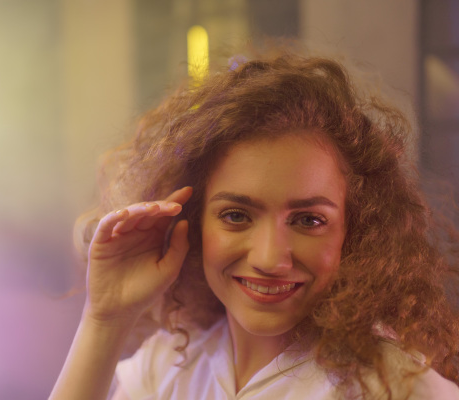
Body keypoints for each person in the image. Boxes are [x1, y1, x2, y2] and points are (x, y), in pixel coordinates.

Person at [49, 47, 459, 399]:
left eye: (308, 220)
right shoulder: (167, 365)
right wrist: (105, 319)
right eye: (236, 216)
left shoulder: (394, 385)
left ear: (355, 233)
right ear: (193, 223)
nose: (269, 258)